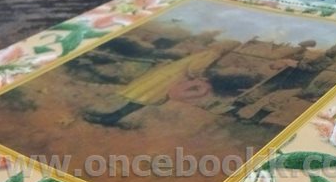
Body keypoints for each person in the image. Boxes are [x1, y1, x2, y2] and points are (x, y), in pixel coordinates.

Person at [84, 39, 240, 126]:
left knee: (143, 97)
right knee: (142, 97)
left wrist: (200, 76)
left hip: (170, 77)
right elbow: (194, 68)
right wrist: (201, 76)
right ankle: (111, 116)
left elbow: (194, 68)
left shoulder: (211, 53)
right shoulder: (211, 54)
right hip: (170, 77)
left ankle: (111, 118)